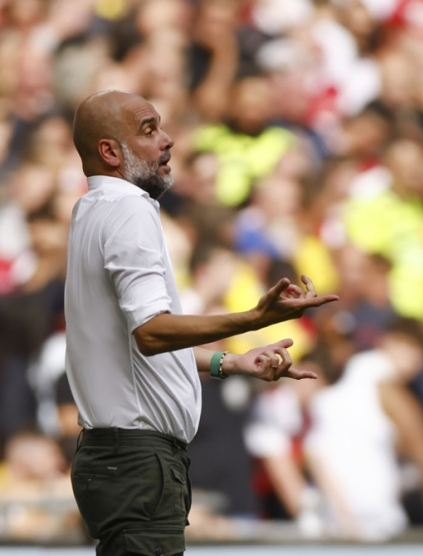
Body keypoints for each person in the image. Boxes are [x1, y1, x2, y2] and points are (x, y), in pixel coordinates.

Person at [64, 90, 338, 556]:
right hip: (136, 461)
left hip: (118, 459)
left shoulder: (91, 210)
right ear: (110, 152)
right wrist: (253, 319)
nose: (168, 140)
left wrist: (229, 363)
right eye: (149, 130)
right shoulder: (129, 210)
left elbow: (136, 348)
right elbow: (151, 333)